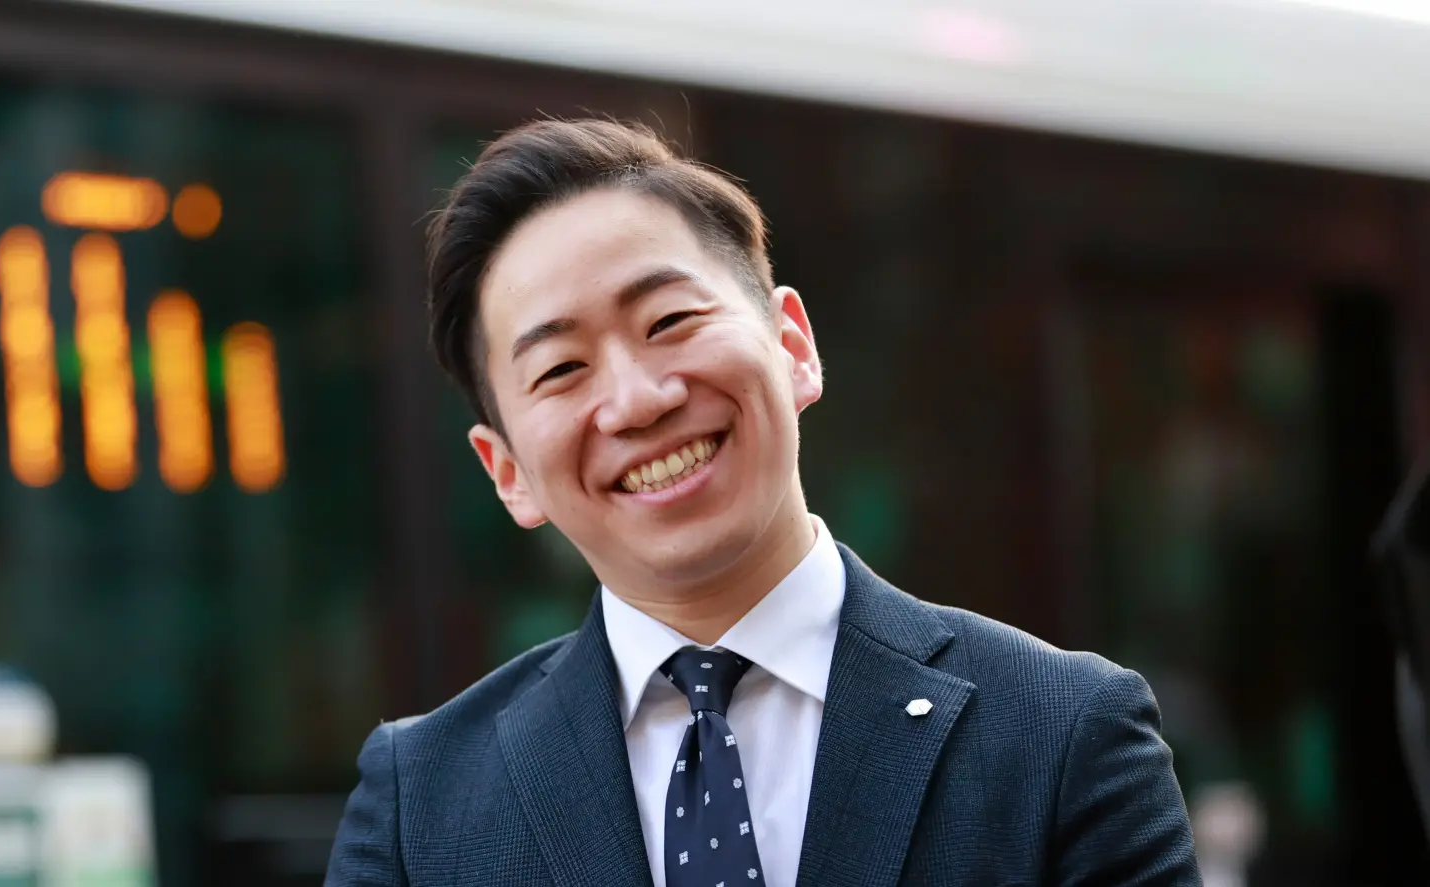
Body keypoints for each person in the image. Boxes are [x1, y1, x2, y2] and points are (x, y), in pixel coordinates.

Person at [325, 118, 1200, 887]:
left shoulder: (1062, 734)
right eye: (560, 369)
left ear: (792, 346)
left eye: (669, 321)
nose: (637, 401)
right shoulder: (420, 804)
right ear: (507, 470)